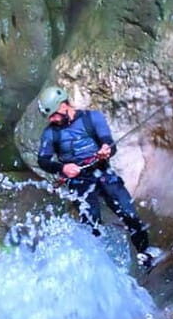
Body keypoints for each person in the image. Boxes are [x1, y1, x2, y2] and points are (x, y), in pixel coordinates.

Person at [36, 85, 160, 268]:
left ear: (63, 105)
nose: (52, 119)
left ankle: (145, 252)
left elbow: (110, 144)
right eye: (50, 117)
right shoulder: (50, 133)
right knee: (91, 226)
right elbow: (43, 160)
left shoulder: (92, 118)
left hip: (102, 172)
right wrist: (63, 168)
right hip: (79, 182)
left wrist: (105, 150)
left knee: (129, 214)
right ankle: (102, 269)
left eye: (54, 114)